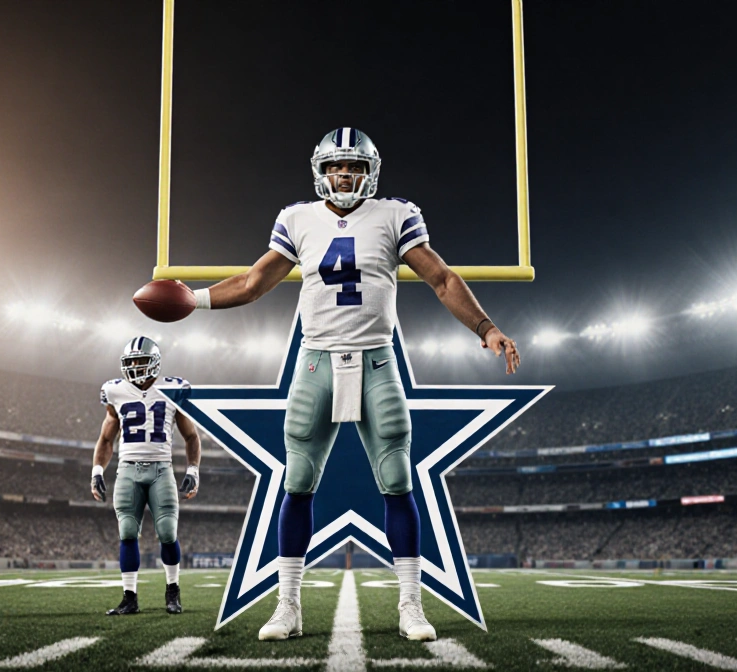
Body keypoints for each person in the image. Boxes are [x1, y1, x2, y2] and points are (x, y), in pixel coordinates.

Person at [189, 128, 520, 641]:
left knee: (397, 479)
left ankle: (411, 604)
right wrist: (194, 300)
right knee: (298, 481)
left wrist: (486, 327)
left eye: (355, 167)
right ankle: (288, 606)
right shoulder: (296, 218)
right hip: (315, 361)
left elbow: (441, 279)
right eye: (336, 167)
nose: (345, 175)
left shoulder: (396, 214)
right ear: (320, 171)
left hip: (376, 361)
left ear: (371, 172)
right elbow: (253, 284)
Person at [91, 336, 201, 616]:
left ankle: (172, 590)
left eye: (141, 361)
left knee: (168, 532)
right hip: (127, 469)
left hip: (161, 469)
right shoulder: (115, 391)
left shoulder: (173, 389)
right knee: (127, 532)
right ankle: (129, 597)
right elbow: (106, 438)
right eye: (131, 362)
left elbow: (191, 436)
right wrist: (97, 470)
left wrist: (193, 469)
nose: (135, 367)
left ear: (155, 362)